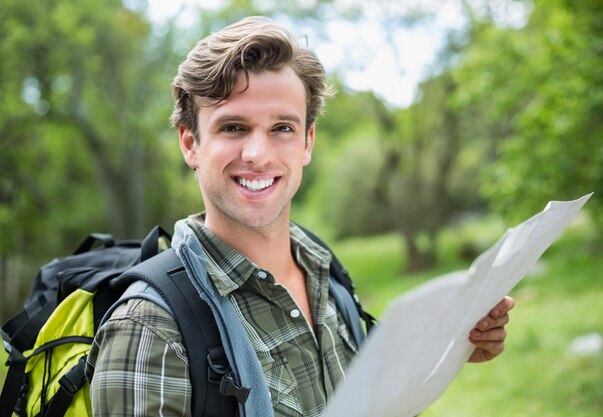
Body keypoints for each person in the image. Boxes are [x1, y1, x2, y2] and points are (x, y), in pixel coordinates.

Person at [86, 16, 515, 416]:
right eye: (233, 127)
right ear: (190, 143)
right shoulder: (148, 330)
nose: (258, 154)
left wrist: (450, 348)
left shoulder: (325, 274)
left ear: (307, 142)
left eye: (282, 128)